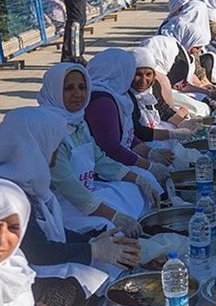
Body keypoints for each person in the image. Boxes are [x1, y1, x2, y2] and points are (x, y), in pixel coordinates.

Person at [0, 107, 140, 306]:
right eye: (54, 144)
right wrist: (92, 250)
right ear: (35, 145)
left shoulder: (23, 180)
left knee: (102, 270)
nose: (56, 150)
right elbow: (37, 250)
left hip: (22, 263)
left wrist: (91, 240)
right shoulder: (0, 197)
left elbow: (44, 231)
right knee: (78, 290)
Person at [38, 63, 159, 237]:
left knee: (132, 191)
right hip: (62, 204)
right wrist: (115, 216)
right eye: (68, 88)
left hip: (87, 190)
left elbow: (100, 160)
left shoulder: (78, 121)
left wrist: (140, 179)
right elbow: (68, 186)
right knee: (108, 227)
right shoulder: (49, 129)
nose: (77, 94)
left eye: (82, 87)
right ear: (55, 91)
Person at [84, 49, 173, 183]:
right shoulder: (102, 102)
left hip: (118, 161)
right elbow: (111, 149)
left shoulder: (118, 95)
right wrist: (149, 166)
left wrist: (152, 153)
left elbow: (128, 138)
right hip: (101, 172)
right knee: (146, 181)